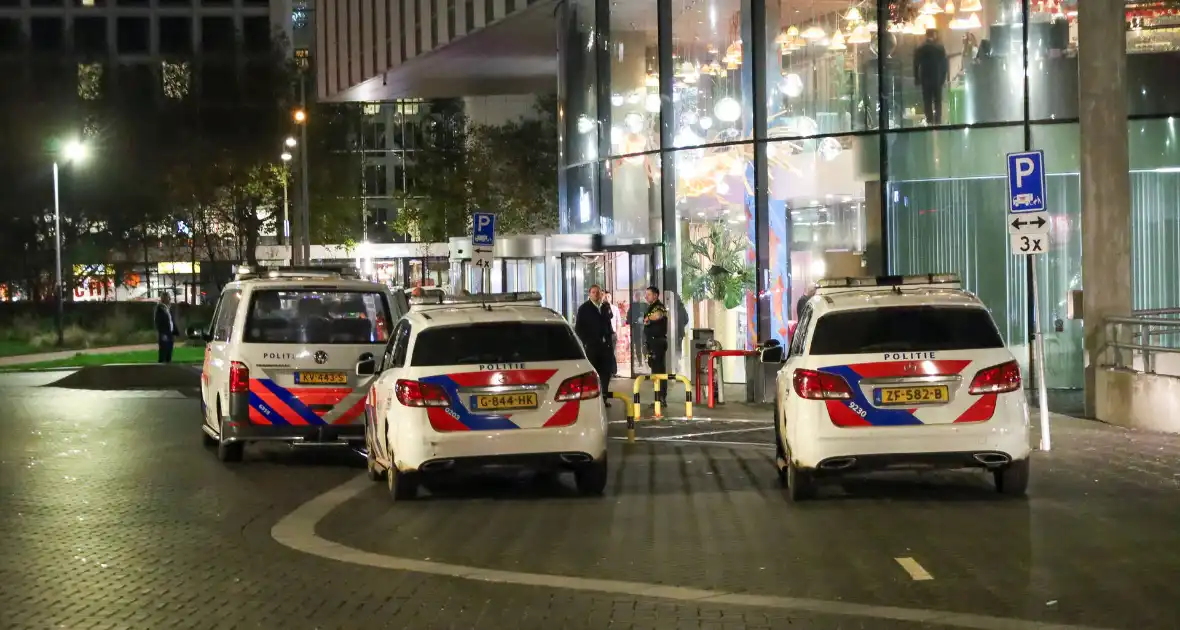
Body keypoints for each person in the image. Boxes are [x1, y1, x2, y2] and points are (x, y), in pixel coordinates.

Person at [574, 284, 613, 405]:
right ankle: (594, 399)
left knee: (606, 372)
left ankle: (604, 397)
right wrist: (587, 342)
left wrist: (610, 335)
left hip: (605, 346)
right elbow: (579, 329)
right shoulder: (584, 309)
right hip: (592, 347)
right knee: (593, 373)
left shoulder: (605, 307)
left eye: (598, 292)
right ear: (589, 294)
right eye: (594, 292)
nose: (596, 295)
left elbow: (608, 322)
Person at [913, 29, 949, 125]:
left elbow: (916, 64)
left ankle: (929, 121)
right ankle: (938, 121)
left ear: (926, 35)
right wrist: (943, 78)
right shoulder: (940, 48)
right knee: (938, 101)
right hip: (937, 78)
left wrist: (917, 78)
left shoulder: (921, 48)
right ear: (934, 35)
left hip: (925, 78)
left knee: (927, 101)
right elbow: (945, 65)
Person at [642, 286, 669, 405]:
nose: (646, 296)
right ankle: (658, 397)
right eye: (646, 294)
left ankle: (661, 397)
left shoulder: (659, 306)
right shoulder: (651, 307)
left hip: (658, 342)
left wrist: (648, 318)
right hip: (652, 342)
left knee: (659, 370)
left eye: (649, 294)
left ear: (656, 295)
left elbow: (658, 315)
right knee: (655, 370)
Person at [155, 291, 179, 364]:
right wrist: (162, 334)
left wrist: (175, 331)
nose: (170, 299)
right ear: (164, 299)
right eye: (168, 298)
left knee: (169, 353)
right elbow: (158, 322)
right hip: (164, 334)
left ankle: (168, 369)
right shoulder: (160, 309)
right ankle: (161, 370)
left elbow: (171, 321)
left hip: (170, 334)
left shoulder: (168, 309)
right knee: (163, 354)